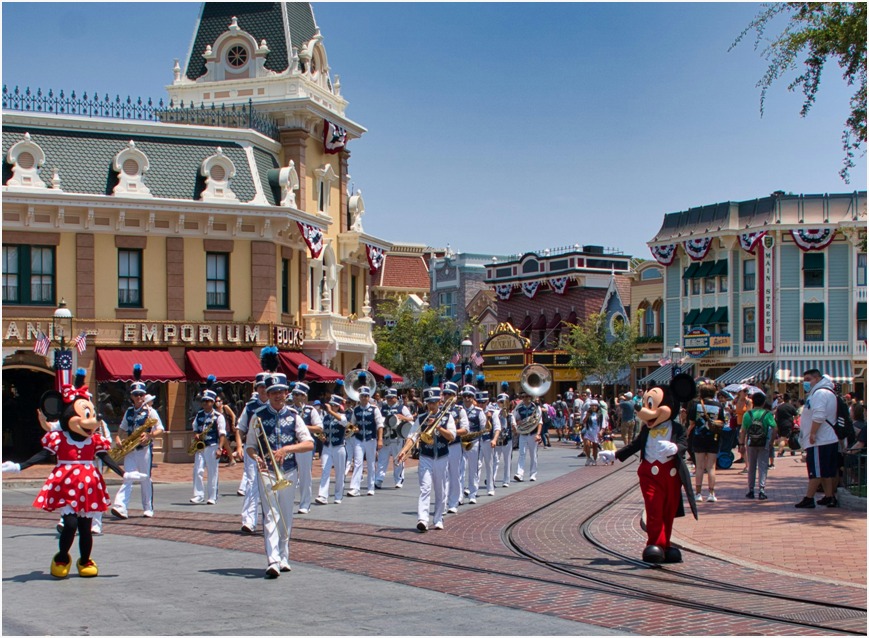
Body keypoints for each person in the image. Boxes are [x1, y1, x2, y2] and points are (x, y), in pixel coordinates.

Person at [1, 382, 134, 579]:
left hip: (88, 486)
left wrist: (124, 474)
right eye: (85, 415)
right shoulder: (60, 438)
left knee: (86, 527)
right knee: (70, 525)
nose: (92, 421)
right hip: (66, 484)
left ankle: (85, 560)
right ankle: (62, 557)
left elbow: (105, 457)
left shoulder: (93, 440)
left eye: (91, 415)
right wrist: (19, 467)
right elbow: (42, 454)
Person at [247, 372, 313, 578]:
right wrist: (255, 457)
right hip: (267, 471)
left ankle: (284, 555)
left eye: (281, 392)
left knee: (285, 515)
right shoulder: (258, 415)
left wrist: (287, 449)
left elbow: (309, 443)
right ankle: (273, 560)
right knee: (270, 515)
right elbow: (250, 445)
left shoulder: (294, 416)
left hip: (289, 471)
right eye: (273, 392)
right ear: (267, 394)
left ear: (286, 393)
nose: (278, 395)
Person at [397, 381, 456, 532]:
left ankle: (438, 519)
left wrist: (438, 426)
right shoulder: (421, 418)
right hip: (426, 457)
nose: (431, 406)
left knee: (440, 490)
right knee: (425, 488)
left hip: (441, 457)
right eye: (429, 403)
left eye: (434, 402)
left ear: (439, 402)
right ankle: (422, 519)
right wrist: (404, 450)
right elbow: (412, 436)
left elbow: (451, 436)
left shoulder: (447, 417)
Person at [110, 365, 164, 520]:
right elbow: (122, 428)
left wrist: (150, 435)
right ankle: (121, 506)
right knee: (127, 477)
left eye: (141, 394)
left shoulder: (150, 412)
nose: (139, 397)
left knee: (145, 478)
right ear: (132, 396)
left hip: (144, 449)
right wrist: (118, 438)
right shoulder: (129, 411)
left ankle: (148, 508)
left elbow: (160, 429)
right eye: (136, 394)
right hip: (130, 450)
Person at [795, 369, 840, 508]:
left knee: (816, 471)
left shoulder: (820, 393)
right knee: (825, 472)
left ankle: (809, 498)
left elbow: (819, 415)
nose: (806, 383)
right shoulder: (824, 392)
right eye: (804, 380)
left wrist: (813, 433)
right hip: (826, 439)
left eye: (808, 379)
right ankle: (829, 496)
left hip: (819, 440)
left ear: (818, 378)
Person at [235, 370, 269, 535]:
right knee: (251, 484)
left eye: (265, 386)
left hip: (270, 451)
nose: (263, 390)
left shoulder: (275, 406)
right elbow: (240, 428)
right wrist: (239, 446)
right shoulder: (250, 407)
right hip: (252, 449)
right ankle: (249, 521)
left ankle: (271, 520)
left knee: (270, 486)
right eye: (260, 387)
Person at [189, 386, 227, 505]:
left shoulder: (218, 416)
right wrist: (196, 435)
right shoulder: (199, 414)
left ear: (213, 402)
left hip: (212, 445)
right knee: (198, 470)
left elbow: (222, 433)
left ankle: (212, 496)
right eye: (203, 401)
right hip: (201, 446)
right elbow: (195, 428)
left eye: (208, 401)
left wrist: (220, 448)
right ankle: (198, 495)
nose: (205, 403)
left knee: (212, 472)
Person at [290, 374, 322, 514]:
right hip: (291, 445)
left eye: (298, 394)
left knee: (305, 476)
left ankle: (305, 503)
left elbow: (319, 428)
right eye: (294, 394)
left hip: (304, 446)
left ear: (304, 396)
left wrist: (303, 427)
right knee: (289, 475)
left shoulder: (310, 410)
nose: (295, 397)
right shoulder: (288, 410)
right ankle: (288, 501)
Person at [687, 382, 723, 503]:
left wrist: (687, 434)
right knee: (711, 467)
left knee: (699, 466)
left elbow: (691, 423)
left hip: (699, 437)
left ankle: (698, 494)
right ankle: (711, 493)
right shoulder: (719, 405)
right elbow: (721, 422)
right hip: (714, 438)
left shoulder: (696, 405)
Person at [347, 385, 384, 497]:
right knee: (358, 462)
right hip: (358, 439)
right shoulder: (356, 410)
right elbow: (351, 424)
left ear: (369, 397)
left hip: (371, 439)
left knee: (371, 463)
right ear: (359, 397)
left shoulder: (374, 409)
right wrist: (353, 429)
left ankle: (371, 487)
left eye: (366, 396)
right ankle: (355, 488)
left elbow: (380, 425)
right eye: (362, 396)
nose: (364, 398)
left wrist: (380, 439)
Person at [740, 392, 777, 500]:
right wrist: (771, 441)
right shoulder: (767, 414)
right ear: (764, 402)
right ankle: (761, 489)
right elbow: (775, 428)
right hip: (763, 442)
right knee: (763, 466)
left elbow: (743, 431)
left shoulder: (748, 414)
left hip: (751, 442)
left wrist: (741, 444)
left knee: (752, 466)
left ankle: (751, 490)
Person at [376, 387, 413, 489]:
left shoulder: (402, 408)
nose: (389, 399)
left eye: (391, 397)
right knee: (382, 459)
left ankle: (398, 480)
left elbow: (411, 418)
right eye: (387, 397)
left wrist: (402, 417)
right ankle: (379, 479)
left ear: (396, 397)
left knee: (398, 459)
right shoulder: (382, 407)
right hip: (386, 436)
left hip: (397, 437)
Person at [315, 395, 349, 505]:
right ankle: (322, 496)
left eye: (335, 405)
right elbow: (320, 430)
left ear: (338, 407)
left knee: (339, 472)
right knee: (325, 470)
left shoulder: (342, 416)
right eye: (331, 405)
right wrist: (321, 437)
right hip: (327, 447)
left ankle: (338, 495)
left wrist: (331, 411)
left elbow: (344, 422)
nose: (332, 407)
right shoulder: (325, 417)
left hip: (339, 447)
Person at [443, 379, 469, 513]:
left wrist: (451, 433)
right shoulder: (439, 409)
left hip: (454, 445)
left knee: (454, 474)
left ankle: (453, 503)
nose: (447, 396)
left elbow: (465, 429)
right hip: (441, 446)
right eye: (445, 394)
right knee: (442, 476)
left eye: (450, 394)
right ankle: (443, 504)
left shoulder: (460, 410)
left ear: (455, 396)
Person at [460, 384, 488, 503]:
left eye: (469, 396)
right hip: (460, 443)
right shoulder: (459, 410)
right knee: (460, 470)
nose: (467, 398)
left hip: (474, 442)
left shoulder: (478, 411)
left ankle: (472, 493)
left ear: (473, 398)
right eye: (465, 396)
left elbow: (483, 428)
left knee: (473, 469)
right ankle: (459, 495)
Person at [513, 390, 542, 481]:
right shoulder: (519, 408)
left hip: (533, 434)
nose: (525, 398)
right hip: (523, 434)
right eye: (523, 397)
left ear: (530, 397)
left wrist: (538, 434)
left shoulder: (536, 408)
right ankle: (519, 474)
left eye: (527, 396)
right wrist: (517, 423)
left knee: (533, 455)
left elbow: (540, 422)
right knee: (522, 454)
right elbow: (515, 419)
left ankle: (533, 474)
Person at [493, 391, 516, 488]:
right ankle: (492, 479)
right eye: (500, 402)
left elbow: (515, 428)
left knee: (507, 460)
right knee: (495, 460)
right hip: (498, 440)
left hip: (507, 439)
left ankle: (506, 480)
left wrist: (514, 427)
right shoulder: (495, 414)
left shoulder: (510, 415)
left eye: (504, 402)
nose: (502, 404)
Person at [580, 400, 605, 465]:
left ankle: (594, 459)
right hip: (588, 431)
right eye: (592, 406)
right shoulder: (587, 413)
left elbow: (603, 424)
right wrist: (587, 416)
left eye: (595, 406)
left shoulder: (600, 414)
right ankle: (588, 458)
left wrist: (601, 431)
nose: (594, 407)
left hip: (596, 432)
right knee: (587, 444)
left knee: (595, 446)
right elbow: (583, 422)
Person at [215, 394, 237, 466]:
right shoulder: (215, 410)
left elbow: (233, 415)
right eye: (216, 401)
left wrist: (233, 424)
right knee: (226, 444)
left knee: (226, 444)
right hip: (218, 430)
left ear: (222, 401)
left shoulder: (225, 407)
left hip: (226, 429)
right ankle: (231, 459)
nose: (217, 402)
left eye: (219, 401)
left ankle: (232, 459)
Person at [774, 394, 798, 458]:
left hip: (779, 424)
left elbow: (776, 416)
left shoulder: (779, 407)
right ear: (789, 400)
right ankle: (780, 452)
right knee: (783, 438)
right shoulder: (791, 406)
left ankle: (789, 450)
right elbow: (796, 415)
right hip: (788, 424)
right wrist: (794, 420)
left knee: (783, 437)